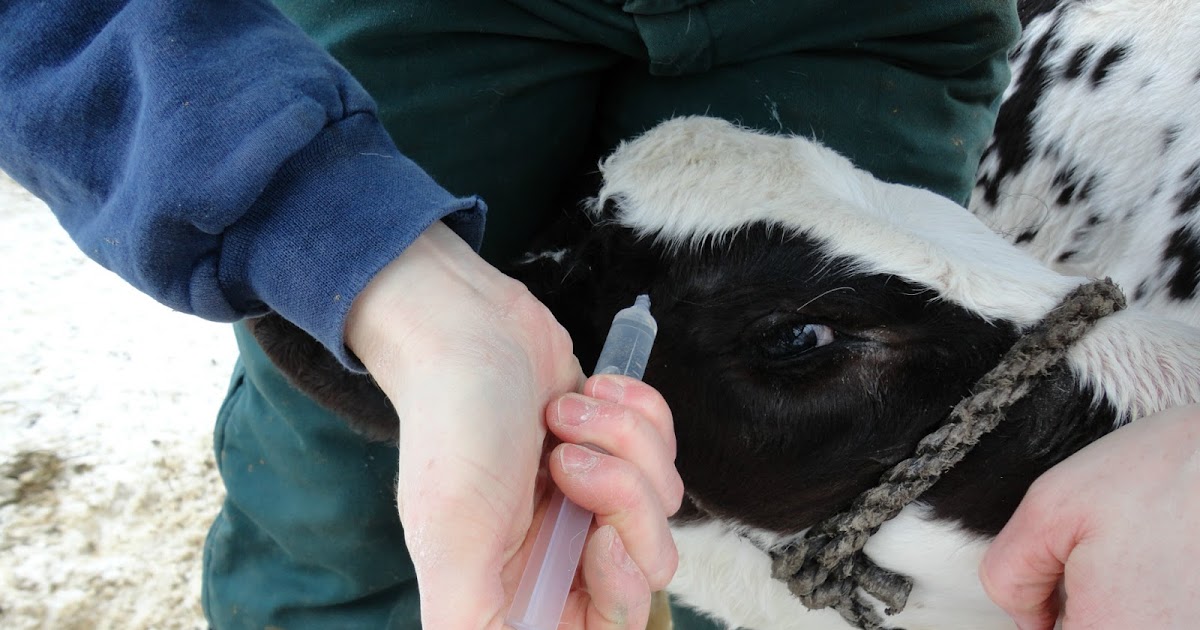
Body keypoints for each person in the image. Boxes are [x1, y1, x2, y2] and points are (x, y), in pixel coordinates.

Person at [3, 1, 1195, 629]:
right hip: (417, 16)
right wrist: (329, 231)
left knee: (748, 528)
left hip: (846, 18)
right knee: (355, 489)